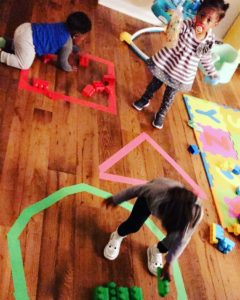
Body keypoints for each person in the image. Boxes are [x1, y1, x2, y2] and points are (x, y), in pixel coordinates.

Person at [132, 0, 229, 129]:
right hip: (167, 62)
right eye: (201, 15)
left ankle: (161, 113)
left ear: (215, 24)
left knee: (169, 96)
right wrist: (173, 22)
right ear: (197, 13)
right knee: (154, 84)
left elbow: (206, 59)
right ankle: (145, 98)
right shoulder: (187, 25)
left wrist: (212, 73)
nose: (203, 21)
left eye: (209, 20)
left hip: (182, 73)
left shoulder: (209, 41)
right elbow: (175, 28)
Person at [103, 178, 203, 280]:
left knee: (173, 240)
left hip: (170, 211)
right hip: (147, 202)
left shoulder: (193, 217)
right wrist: (117, 199)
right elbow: (135, 190)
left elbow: (182, 241)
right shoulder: (156, 191)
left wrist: (169, 263)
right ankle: (118, 234)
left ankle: (156, 250)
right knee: (134, 224)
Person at [0, 11, 92, 71]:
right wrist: (69, 68)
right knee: (24, 64)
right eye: (83, 38)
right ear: (76, 36)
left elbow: (70, 43)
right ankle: (1, 55)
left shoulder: (63, 25)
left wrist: (76, 50)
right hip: (28, 41)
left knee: (18, 45)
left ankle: (3, 42)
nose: (83, 40)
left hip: (25, 28)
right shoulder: (67, 45)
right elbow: (62, 63)